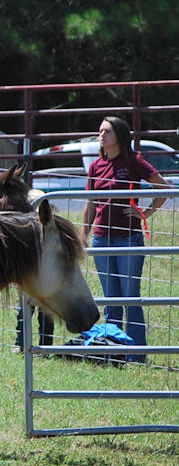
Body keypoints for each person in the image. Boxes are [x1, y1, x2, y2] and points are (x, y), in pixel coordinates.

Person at [82, 116, 170, 362]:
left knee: (130, 297)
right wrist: (83, 235)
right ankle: (114, 352)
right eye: (99, 131)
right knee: (111, 299)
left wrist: (145, 212)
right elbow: (89, 203)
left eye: (106, 131)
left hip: (128, 239)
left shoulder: (134, 161)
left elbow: (163, 187)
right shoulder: (95, 166)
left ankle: (136, 355)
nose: (101, 136)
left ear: (119, 135)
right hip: (101, 239)